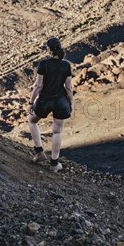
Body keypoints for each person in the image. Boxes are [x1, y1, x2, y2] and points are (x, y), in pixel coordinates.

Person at [28, 37, 73, 172]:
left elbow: (38, 86)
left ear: (48, 49)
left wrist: (31, 102)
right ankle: (54, 164)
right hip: (61, 101)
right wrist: (70, 102)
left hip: (44, 101)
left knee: (32, 121)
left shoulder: (44, 64)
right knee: (57, 131)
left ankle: (39, 153)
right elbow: (69, 88)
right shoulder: (66, 65)